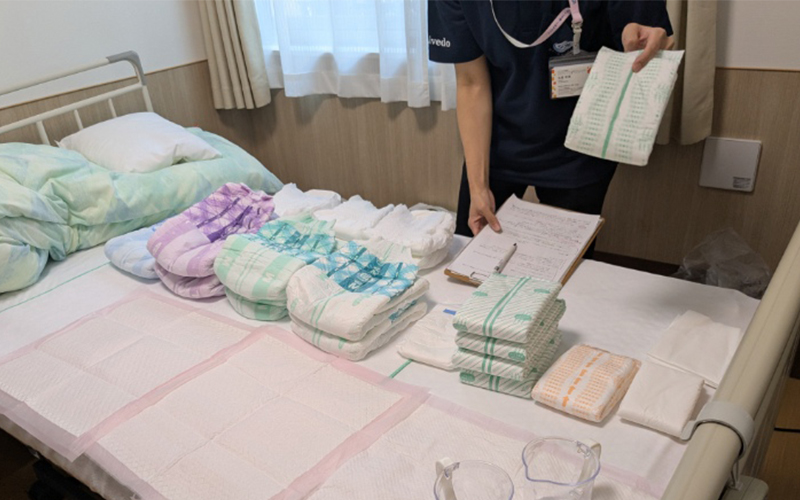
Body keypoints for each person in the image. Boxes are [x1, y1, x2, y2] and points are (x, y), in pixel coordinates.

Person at [429, 0, 674, 249]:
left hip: (580, 147)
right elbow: (471, 82)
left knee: (564, 264)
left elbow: (645, 33)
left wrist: (644, 42)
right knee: (473, 253)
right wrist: (478, 187)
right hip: (497, 143)